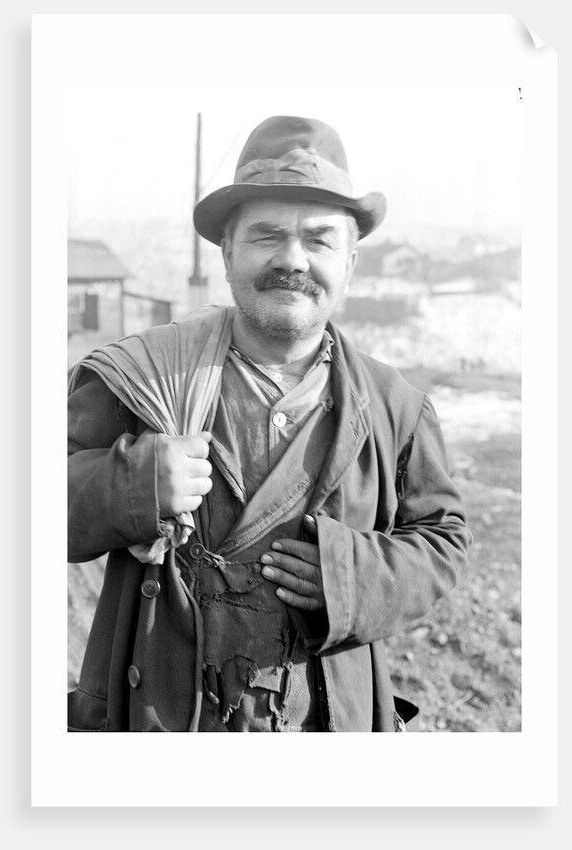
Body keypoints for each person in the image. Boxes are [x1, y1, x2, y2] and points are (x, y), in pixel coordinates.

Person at [68, 115, 471, 732]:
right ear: (227, 252)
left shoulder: (397, 408)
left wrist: (350, 575)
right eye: (266, 236)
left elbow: (443, 539)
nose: (292, 259)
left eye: (318, 239)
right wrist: (134, 485)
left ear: (351, 261)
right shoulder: (142, 379)